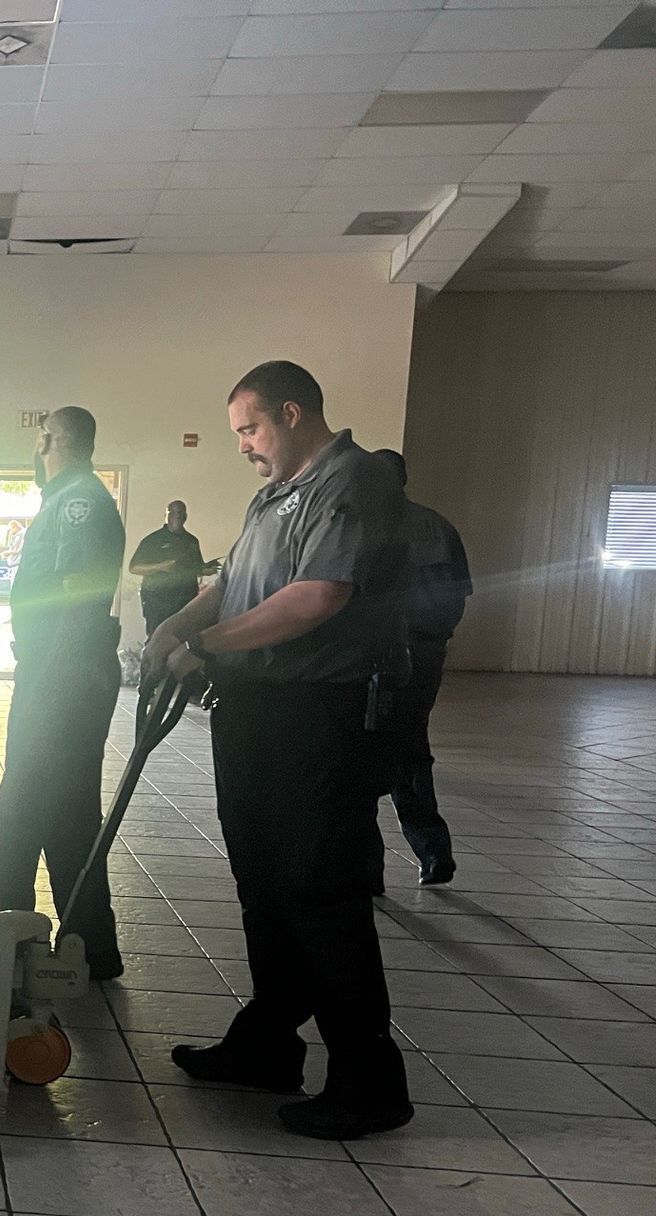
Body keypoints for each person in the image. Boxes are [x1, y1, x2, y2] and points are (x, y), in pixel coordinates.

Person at [144, 361, 412, 1140]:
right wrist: (175, 627)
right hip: (260, 710)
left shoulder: (353, 483)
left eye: (249, 429)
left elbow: (317, 596)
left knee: (319, 887)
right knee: (262, 879)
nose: (243, 447)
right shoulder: (274, 495)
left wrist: (209, 646)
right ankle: (267, 1045)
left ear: (292, 413)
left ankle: (369, 1080)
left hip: (321, 715)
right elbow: (232, 582)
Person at [0, 406, 127, 981]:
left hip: (62, 677)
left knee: (24, 803)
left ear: (55, 441)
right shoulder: (65, 499)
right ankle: (89, 942)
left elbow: (78, 597)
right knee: (67, 813)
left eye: (42, 441)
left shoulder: (79, 503)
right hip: (59, 673)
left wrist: (52, 681)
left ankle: (9, 933)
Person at [378, 449, 471, 888]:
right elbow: (461, 593)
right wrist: (435, 636)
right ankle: (434, 853)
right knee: (411, 747)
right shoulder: (440, 525)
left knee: (361, 754)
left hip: (377, 656)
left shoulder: (365, 526)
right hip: (427, 652)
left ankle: (364, 870)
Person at [129, 500, 208, 637]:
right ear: (166, 515)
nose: (177, 516)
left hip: (185, 602)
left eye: (181, 513)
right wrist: (160, 566)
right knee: (156, 640)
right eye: (173, 512)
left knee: (182, 641)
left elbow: (198, 568)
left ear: (186, 516)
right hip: (157, 602)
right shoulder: (153, 540)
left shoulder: (191, 541)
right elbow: (134, 568)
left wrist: (210, 570)